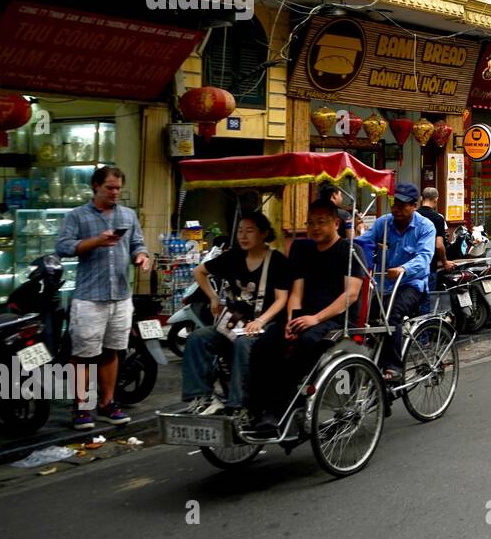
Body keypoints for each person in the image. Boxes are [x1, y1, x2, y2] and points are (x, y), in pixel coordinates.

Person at [248, 200, 362, 432]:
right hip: (304, 315)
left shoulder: (350, 251)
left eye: (321, 222)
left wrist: (315, 319)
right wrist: (292, 319)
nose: (315, 227)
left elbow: (350, 295)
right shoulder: (302, 249)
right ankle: (257, 407)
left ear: (336, 223)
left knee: (306, 343)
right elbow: (296, 292)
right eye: (310, 223)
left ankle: (283, 406)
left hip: (334, 318)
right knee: (265, 342)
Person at [54, 166, 150, 430]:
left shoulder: (128, 215)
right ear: (96, 186)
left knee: (112, 351)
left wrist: (141, 257)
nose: (115, 192)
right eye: (110, 187)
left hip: (120, 295)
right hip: (89, 297)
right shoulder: (77, 216)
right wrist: (95, 241)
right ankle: (81, 407)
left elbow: (137, 244)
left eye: (118, 188)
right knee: (83, 354)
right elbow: (63, 246)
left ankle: (107, 403)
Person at [182, 211, 290, 417]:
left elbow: (281, 300)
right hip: (234, 322)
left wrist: (260, 321)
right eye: (240, 231)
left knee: (243, 343)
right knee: (197, 338)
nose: (243, 236)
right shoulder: (232, 257)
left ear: (264, 234)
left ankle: (238, 403)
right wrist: (213, 297)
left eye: (249, 231)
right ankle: (201, 396)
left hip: (266, 323)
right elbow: (199, 272)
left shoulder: (276, 261)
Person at [355, 182, 435, 379]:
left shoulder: (425, 227)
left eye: (403, 205)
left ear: (414, 206)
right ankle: (374, 362)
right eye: (394, 204)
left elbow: (425, 257)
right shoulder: (384, 223)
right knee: (366, 316)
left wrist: (403, 268)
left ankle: (395, 366)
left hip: (411, 284)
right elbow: (364, 241)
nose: (396, 209)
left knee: (392, 315)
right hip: (384, 285)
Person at [416, 187, 449, 288]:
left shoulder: (413, 216)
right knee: (428, 300)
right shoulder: (438, 218)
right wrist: (445, 262)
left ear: (421, 198)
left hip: (412, 266)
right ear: (436, 199)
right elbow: (439, 245)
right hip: (429, 266)